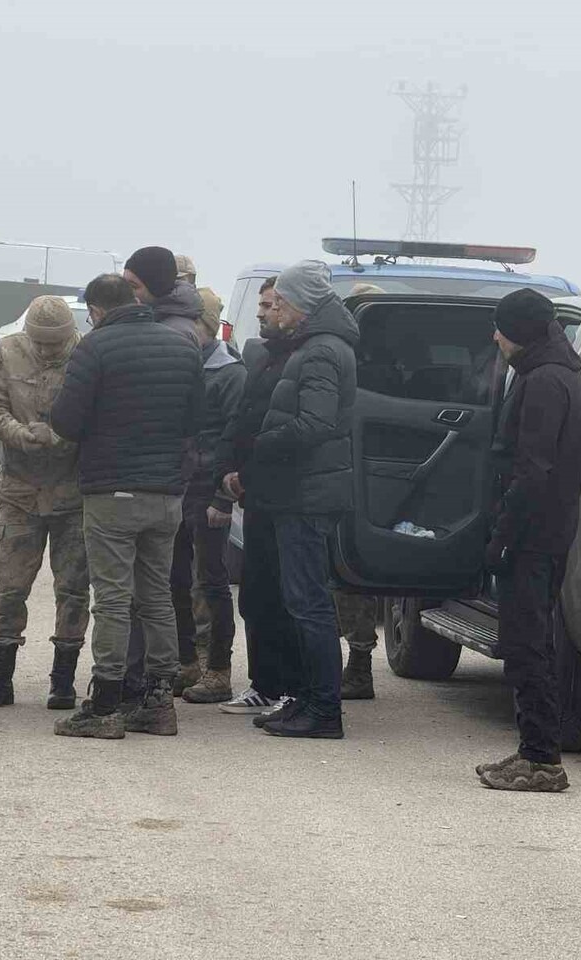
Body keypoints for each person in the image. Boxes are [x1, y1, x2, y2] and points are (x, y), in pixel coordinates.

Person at [50, 274, 203, 740]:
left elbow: (67, 421)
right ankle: (159, 702)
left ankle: (104, 706)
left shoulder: (95, 348)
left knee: (113, 599)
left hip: (113, 490)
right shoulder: (183, 345)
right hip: (167, 493)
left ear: (96, 309)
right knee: (156, 596)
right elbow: (197, 418)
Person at [226, 261, 359, 739]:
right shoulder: (310, 345)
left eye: (278, 301)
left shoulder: (321, 351)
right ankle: (303, 697)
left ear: (300, 304)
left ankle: (324, 709)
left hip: (307, 494)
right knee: (296, 599)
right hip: (296, 491)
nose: (273, 308)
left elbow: (316, 423)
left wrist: (262, 444)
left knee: (309, 603)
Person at [476, 288, 581, 792]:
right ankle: (534, 751)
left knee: (527, 645)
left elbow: (532, 469)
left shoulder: (543, 382)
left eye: (502, 327)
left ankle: (541, 759)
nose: (496, 336)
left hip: (533, 534)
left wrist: (503, 534)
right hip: (550, 529)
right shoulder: (561, 374)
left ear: (521, 330)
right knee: (532, 641)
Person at [0, 296, 89, 709]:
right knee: (10, 586)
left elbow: (97, 415)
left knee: (74, 589)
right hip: (20, 490)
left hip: (72, 493)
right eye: (39, 343)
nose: (46, 352)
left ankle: (63, 680)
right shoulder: (7, 353)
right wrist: (16, 433)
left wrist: (63, 435)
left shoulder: (87, 355)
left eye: (54, 345)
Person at [117, 246, 202, 702]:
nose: (128, 294)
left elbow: (185, 413)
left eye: (133, 285)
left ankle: (151, 681)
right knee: (154, 586)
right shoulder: (162, 323)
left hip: (162, 476)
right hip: (163, 473)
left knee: (157, 587)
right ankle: (155, 680)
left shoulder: (176, 333)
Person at [215, 276, 303, 716]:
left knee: (288, 597)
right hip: (256, 494)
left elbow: (290, 433)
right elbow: (245, 418)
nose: (264, 312)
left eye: (272, 305)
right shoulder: (264, 357)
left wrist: (248, 470)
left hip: (287, 496)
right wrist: (229, 469)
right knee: (255, 594)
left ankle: (291, 688)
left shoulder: (304, 360)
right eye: (263, 305)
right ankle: (264, 684)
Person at [178, 287, 245, 705]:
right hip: (178, 485)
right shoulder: (183, 363)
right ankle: (186, 662)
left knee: (212, 580)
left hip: (208, 489)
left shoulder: (231, 373)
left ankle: (218, 669)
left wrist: (223, 498)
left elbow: (235, 439)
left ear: (208, 326)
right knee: (176, 579)